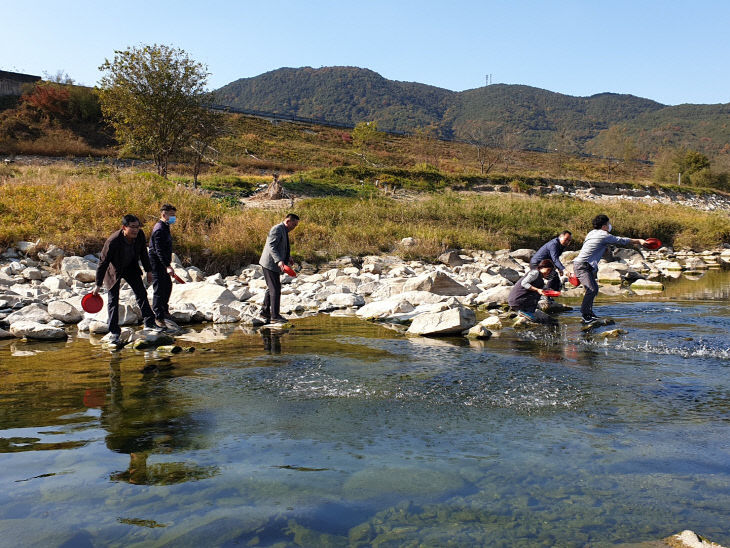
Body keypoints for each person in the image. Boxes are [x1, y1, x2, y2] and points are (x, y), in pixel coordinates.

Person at [93, 214, 158, 342]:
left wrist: (149, 270)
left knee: (141, 293)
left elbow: (143, 253)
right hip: (113, 270)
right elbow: (103, 262)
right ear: (124, 227)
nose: (135, 230)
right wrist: (98, 284)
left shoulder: (139, 235)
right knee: (113, 299)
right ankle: (114, 331)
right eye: (132, 227)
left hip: (131, 267)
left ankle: (150, 323)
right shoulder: (113, 241)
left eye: (137, 227)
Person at [572, 214, 646, 323]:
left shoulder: (591, 233)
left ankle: (589, 313)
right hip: (582, 266)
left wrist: (605, 249)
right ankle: (585, 315)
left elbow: (597, 246)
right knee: (592, 289)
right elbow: (622, 240)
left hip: (585, 265)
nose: (609, 226)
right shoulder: (604, 235)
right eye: (608, 224)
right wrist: (639, 241)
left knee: (592, 289)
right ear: (604, 226)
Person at [259, 213, 299, 323]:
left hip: (275, 264)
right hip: (269, 263)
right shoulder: (276, 229)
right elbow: (271, 246)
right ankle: (275, 316)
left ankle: (265, 312)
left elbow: (283, 246)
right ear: (288, 221)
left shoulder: (284, 230)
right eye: (294, 225)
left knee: (272, 288)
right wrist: (279, 261)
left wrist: (288, 257)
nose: (294, 227)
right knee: (275, 289)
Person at [148, 204, 177, 329]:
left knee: (167, 286)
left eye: (174, 215)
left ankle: (164, 311)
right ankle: (158, 316)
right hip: (157, 262)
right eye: (171, 215)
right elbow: (158, 250)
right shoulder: (159, 228)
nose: (173, 218)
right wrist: (167, 266)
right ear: (164, 214)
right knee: (159, 289)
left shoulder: (166, 226)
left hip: (163, 262)